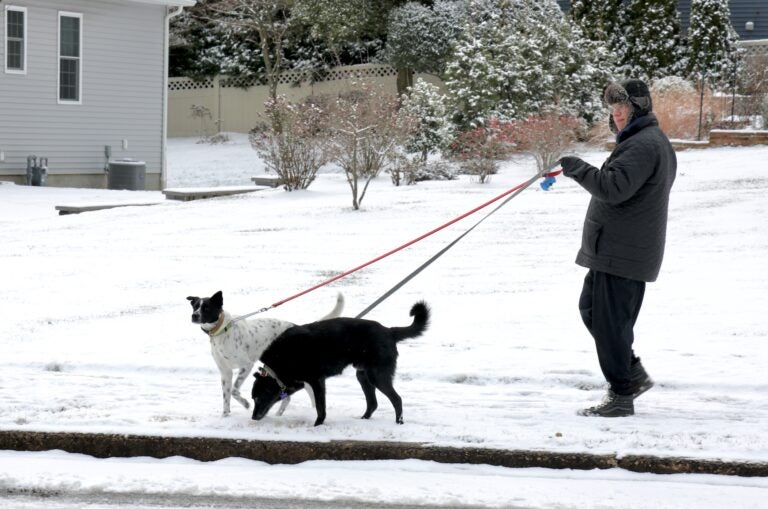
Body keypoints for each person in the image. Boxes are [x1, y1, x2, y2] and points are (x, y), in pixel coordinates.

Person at [558, 78, 676, 417]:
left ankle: (622, 392)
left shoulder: (644, 145)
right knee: (594, 313)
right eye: (613, 109)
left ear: (638, 108)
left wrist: (579, 168)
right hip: (615, 251)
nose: (618, 114)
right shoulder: (642, 141)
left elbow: (613, 187)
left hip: (621, 254)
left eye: (622, 107)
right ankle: (631, 374)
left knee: (610, 325)